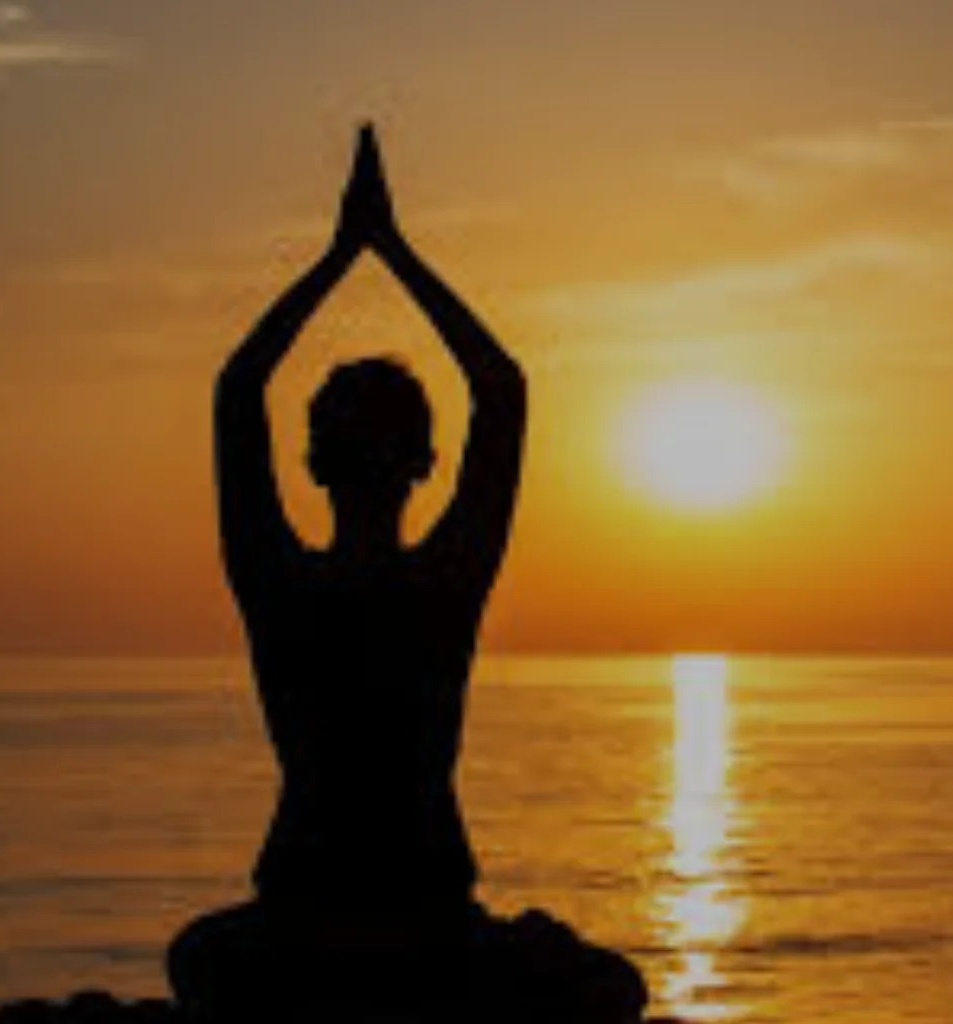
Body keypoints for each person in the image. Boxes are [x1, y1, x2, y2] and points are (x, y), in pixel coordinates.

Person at [170, 126, 641, 1024]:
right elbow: (500, 387)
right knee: (607, 988)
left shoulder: (286, 583)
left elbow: (239, 389)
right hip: (386, 920)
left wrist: (347, 253)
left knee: (201, 958)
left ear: (313, 463)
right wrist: (386, 250)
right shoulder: (438, 584)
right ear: (426, 462)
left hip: (349, 921)